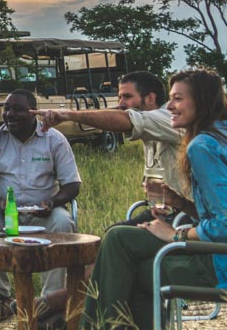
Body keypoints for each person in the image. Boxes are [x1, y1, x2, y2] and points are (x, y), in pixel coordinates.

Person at [49, 68, 227, 330]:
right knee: (129, 256)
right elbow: (223, 212)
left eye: (177, 99)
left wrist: (174, 236)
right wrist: (179, 203)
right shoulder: (224, 135)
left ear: (201, 102)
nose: (170, 106)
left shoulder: (203, 145)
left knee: (124, 249)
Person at [0, 89, 82, 322]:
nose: (9, 114)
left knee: (63, 221)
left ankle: (49, 301)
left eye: (17, 109)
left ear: (34, 112)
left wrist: (53, 202)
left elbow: (72, 185)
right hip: (5, 212)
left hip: (44, 211)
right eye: (7, 109)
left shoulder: (54, 139)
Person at [38, 71, 196, 222]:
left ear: (150, 98)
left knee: (116, 238)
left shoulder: (169, 119)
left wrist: (67, 115)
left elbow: (125, 118)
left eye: (127, 96)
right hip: (163, 211)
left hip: (186, 215)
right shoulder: (153, 126)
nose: (121, 103)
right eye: (119, 97)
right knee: (113, 234)